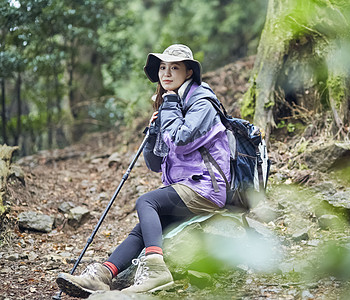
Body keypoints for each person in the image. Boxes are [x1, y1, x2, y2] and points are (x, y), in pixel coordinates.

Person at [56, 44, 231, 298]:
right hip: (186, 187)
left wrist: (168, 107)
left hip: (206, 187)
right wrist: (152, 135)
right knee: (143, 229)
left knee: (146, 201)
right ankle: (102, 275)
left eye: (174, 68)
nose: (166, 73)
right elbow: (153, 163)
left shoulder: (201, 102)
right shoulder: (173, 104)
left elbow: (182, 141)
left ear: (189, 72)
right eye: (162, 68)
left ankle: (155, 270)